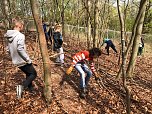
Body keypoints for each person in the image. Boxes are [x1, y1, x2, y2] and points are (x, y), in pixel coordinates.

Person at [4, 19, 37, 98]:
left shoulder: (8, 35)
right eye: (22, 26)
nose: (23, 27)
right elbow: (20, 49)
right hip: (22, 60)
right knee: (33, 74)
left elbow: (7, 49)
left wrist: (13, 57)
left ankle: (30, 87)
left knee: (28, 73)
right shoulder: (20, 35)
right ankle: (21, 87)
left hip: (16, 60)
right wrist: (28, 60)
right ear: (20, 26)